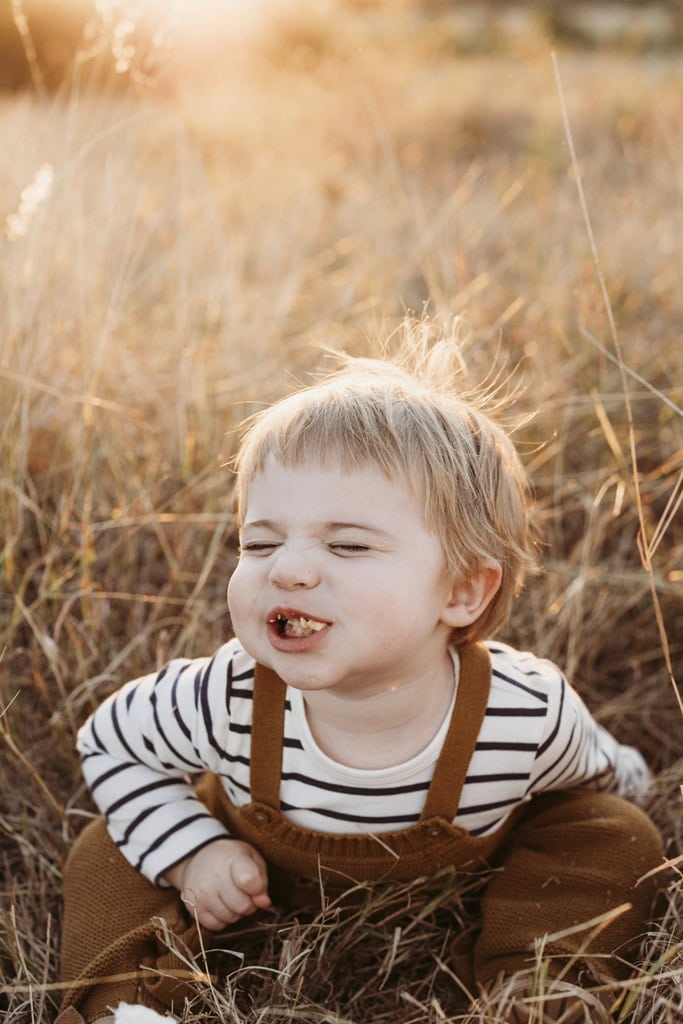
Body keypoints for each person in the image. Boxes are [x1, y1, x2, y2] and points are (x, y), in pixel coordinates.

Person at [57, 340, 664, 1024]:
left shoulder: (520, 713)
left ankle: (537, 998)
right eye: (260, 543)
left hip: (464, 880)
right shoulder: (220, 694)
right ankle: (123, 1008)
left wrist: (636, 790)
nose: (286, 569)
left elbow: (596, 778)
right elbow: (110, 743)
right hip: (248, 875)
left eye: (346, 545)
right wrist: (194, 853)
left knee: (612, 833)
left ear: (462, 591)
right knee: (108, 850)